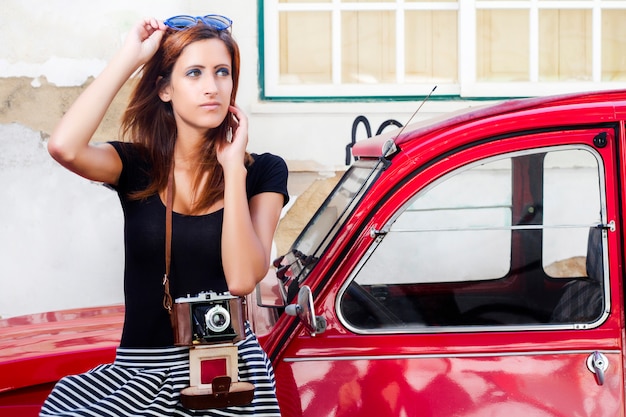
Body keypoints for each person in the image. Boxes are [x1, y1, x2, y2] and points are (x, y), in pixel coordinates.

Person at [40, 15, 288, 417]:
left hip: (229, 375)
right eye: (194, 73)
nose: (213, 87)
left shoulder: (261, 171)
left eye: (222, 72)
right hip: (141, 378)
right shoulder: (136, 165)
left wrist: (232, 169)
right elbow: (64, 147)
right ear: (165, 89)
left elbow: (242, 278)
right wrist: (130, 57)